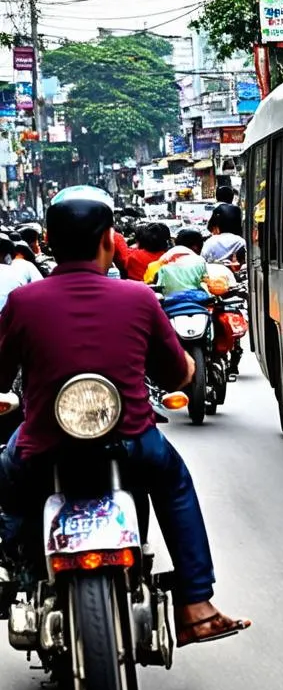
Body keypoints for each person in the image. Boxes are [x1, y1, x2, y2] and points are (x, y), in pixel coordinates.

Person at [0, 185, 249, 646]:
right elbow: (178, 373)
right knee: (174, 483)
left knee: (7, 480)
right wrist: (187, 370)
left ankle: (15, 573)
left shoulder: (24, 304)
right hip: (131, 439)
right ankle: (196, 604)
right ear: (108, 241)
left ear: (49, 243)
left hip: (44, 443)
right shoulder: (138, 298)